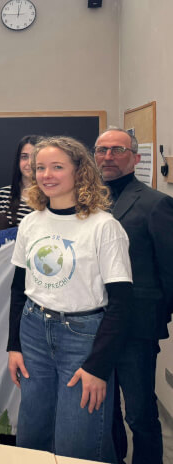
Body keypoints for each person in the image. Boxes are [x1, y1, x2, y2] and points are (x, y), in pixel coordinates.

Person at [7, 136, 132, 462]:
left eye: (57, 167)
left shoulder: (104, 226)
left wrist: (98, 367)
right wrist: (14, 345)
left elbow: (121, 303)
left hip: (84, 338)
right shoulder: (31, 222)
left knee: (78, 441)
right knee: (32, 435)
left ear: (80, 171)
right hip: (33, 332)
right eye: (40, 168)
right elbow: (19, 289)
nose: (46, 175)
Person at [94, 128, 173, 464]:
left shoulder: (156, 204)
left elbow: (169, 270)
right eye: (102, 150)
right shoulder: (87, 203)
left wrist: (156, 318)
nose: (108, 157)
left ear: (136, 157)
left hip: (136, 328)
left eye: (118, 150)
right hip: (93, 325)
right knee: (104, 410)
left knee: (139, 413)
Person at [0, 135, 41, 226]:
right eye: (24, 157)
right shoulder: (0, 197)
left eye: (35, 157)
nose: (29, 163)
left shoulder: (51, 198)